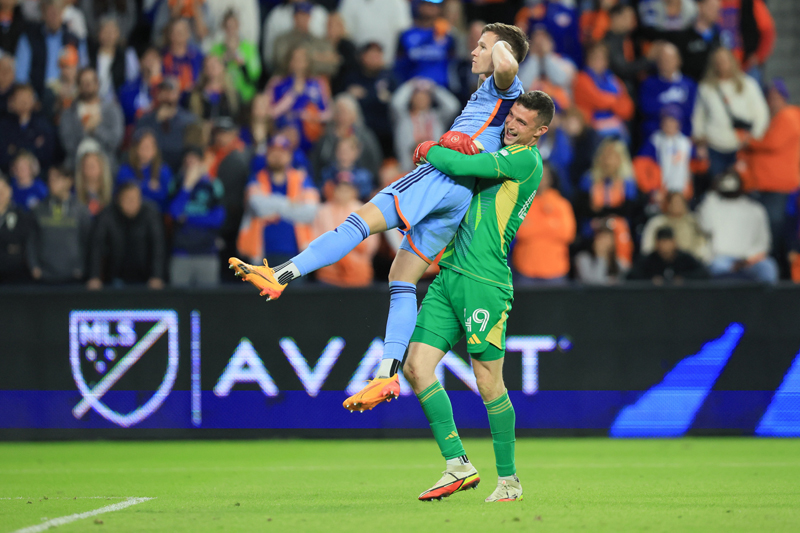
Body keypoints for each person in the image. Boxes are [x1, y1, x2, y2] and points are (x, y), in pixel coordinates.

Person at [229, 23, 529, 399]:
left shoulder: (504, 88)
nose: (473, 51)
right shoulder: (490, 93)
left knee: (355, 224)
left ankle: (281, 274)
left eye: (481, 46)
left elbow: (508, 67)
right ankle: (388, 374)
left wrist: (499, 46)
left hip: (440, 177)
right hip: (458, 196)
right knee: (401, 278)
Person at [397, 91, 553, 503]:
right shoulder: (500, 145)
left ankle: (509, 481)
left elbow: (462, 165)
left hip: (486, 282)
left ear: (539, 132)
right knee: (415, 367)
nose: (512, 124)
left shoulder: (525, 160)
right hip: (449, 275)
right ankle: (457, 464)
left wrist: (429, 146)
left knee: (488, 382)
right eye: (512, 116)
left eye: (522, 122)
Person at [236, 134, 319, 268]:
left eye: (282, 152)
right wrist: (291, 204)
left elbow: (310, 212)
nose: (277, 156)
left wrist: (273, 206)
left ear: (289, 156)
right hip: (260, 254)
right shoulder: (257, 178)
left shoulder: (302, 179)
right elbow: (259, 207)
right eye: (273, 151)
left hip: (298, 255)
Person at [738, 79, 800, 255]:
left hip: (778, 185)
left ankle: (776, 268)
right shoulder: (776, 118)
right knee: (766, 227)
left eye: (775, 97)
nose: (771, 101)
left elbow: (772, 144)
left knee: (774, 227)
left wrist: (748, 141)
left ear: (784, 97)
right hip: (767, 183)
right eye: (769, 97)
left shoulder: (788, 115)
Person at [691, 46, 769, 179]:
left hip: (741, 146)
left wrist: (754, 137)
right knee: (716, 187)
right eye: (718, 61)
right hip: (714, 145)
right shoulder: (705, 87)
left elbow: (761, 114)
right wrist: (699, 136)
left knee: (741, 188)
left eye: (725, 60)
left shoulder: (748, 84)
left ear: (732, 61)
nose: (722, 64)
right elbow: (698, 115)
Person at [697, 170, 778, 283]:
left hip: (750, 260)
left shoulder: (755, 209)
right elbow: (704, 226)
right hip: (721, 259)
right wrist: (711, 193)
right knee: (716, 267)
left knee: (768, 268)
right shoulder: (712, 206)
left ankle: (768, 301)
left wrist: (747, 260)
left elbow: (764, 242)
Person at [87, 181, 165, 290]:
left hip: (145, 278)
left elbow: (158, 246)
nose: (132, 203)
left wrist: (157, 275)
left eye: (136, 199)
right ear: (119, 199)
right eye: (128, 199)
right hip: (115, 276)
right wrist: (94, 276)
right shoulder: (107, 215)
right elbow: (96, 246)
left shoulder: (150, 214)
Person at [168, 146, 225, 287]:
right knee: (179, 301)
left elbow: (217, 219)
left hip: (207, 253)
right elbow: (174, 213)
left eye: (193, 161)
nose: (190, 166)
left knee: (207, 303)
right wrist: (187, 186)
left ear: (201, 163)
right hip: (181, 253)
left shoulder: (213, 185)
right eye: (187, 162)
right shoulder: (176, 184)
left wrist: (187, 219)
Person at [511, 162, 575, 285]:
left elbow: (568, 234)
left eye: (544, 175)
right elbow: (520, 233)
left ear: (551, 179)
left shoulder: (561, 204)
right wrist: (551, 225)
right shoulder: (519, 203)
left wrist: (533, 225)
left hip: (556, 270)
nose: (541, 179)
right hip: (525, 269)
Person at [27, 165, 91, 283]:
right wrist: (34, 266)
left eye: (56, 178)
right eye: (49, 179)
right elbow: (31, 240)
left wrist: (81, 267)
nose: (51, 182)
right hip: (44, 275)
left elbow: (87, 242)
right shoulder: (38, 209)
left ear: (69, 181)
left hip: (74, 275)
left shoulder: (81, 210)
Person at [264, 45, 331, 154]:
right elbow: (267, 112)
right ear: (289, 61)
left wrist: (312, 116)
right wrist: (290, 98)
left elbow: (328, 114)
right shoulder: (277, 82)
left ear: (308, 62)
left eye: (302, 59)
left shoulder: (318, 83)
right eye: (295, 59)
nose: (298, 63)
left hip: (312, 138)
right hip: (282, 139)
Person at [14, 0, 88, 97]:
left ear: (62, 13)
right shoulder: (29, 38)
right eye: (50, 13)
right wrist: (31, 97)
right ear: (43, 15)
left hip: (68, 96)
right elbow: (21, 76)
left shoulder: (74, 40)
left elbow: (83, 70)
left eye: (57, 12)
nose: (54, 16)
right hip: (38, 97)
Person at [311, 181, 378, 288]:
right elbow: (316, 239)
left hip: (358, 272)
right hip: (329, 274)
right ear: (334, 191)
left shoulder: (364, 210)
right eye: (340, 190)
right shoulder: (323, 211)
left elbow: (371, 244)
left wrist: (348, 246)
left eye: (347, 190)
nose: (343, 193)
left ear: (354, 192)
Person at [59, 67, 124, 170]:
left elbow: (115, 141)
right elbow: (68, 145)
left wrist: (96, 130)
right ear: (78, 86)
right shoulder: (69, 113)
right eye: (84, 82)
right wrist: (85, 130)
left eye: (91, 81)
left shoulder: (112, 109)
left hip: (106, 166)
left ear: (97, 84)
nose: (88, 85)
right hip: (76, 166)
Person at [390, 77, 461, 172]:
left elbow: (453, 106)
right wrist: (410, 85)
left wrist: (435, 88)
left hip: (435, 166)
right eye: (417, 97)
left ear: (430, 99)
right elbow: (396, 103)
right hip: (407, 167)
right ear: (411, 99)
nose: (421, 100)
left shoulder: (437, 117)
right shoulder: (404, 118)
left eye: (424, 97)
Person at [344, 42, 398, 158]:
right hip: (361, 131)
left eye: (378, 56)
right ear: (362, 57)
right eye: (371, 56)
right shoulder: (353, 77)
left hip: (386, 133)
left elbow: (396, 101)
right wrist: (377, 97)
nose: (375, 59)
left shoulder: (389, 76)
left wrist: (367, 95)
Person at [311, 93, 381, 182]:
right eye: (338, 111)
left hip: (361, 183)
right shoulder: (325, 137)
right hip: (330, 182)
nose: (341, 116)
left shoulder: (365, 136)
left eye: (345, 112)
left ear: (354, 114)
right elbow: (316, 162)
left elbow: (375, 161)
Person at [135, 77, 199, 173]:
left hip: (180, 170)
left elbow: (194, 152)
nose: (166, 96)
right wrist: (157, 120)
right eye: (163, 92)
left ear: (178, 94)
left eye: (170, 92)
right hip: (151, 171)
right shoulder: (145, 120)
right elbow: (137, 147)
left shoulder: (189, 121)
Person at [634, 105, 695, 202]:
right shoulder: (655, 141)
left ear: (679, 123)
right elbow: (640, 166)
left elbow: (695, 165)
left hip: (682, 193)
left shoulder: (685, 142)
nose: (668, 124)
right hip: (660, 193)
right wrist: (651, 189)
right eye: (666, 120)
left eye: (672, 120)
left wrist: (701, 158)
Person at [573, 42, 634, 140]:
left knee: (624, 131)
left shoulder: (613, 80)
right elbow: (598, 100)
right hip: (591, 125)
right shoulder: (581, 79)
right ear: (588, 59)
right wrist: (615, 101)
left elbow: (628, 109)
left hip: (613, 123)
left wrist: (613, 104)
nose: (598, 61)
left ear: (607, 61)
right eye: (595, 57)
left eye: (602, 58)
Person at [650, 0, 723, 81]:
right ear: (700, 6)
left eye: (718, 9)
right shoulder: (684, 35)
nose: (716, 12)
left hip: (713, 83)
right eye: (712, 7)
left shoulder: (718, 34)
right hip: (691, 85)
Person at [639, 42, 697, 139]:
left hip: (682, 136)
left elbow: (689, 110)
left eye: (669, 59)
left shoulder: (689, 84)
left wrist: (663, 108)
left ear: (679, 60)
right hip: (654, 136)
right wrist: (675, 108)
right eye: (662, 60)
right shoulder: (648, 83)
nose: (666, 63)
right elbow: (647, 108)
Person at [394, 0, 456, 89]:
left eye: (433, 5)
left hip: (440, 86)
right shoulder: (406, 35)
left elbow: (453, 62)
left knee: (453, 103)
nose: (430, 8)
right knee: (397, 102)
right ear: (419, 6)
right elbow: (399, 64)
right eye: (427, 4)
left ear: (439, 9)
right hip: (411, 84)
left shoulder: (448, 35)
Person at [0, 84, 57, 174]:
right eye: (20, 97)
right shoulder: (4, 126)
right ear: (12, 102)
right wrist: (33, 145)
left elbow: (47, 154)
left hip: (39, 174)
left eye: (28, 96)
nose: (24, 101)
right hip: (10, 174)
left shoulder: (43, 124)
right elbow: (3, 155)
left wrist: (15, 149)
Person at [338, 0, 412, 67]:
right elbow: (344, 30)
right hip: (356, 63)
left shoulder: (397, 3)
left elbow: (404, 32)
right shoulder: (349, 2)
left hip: (386, 64)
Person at [208, 9, 261, 103]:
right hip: (224, 96)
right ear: (223, 28)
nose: (231, 30)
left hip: (246, 96)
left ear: (238, 26)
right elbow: (210, 75)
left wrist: (241, 61)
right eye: (228, 27)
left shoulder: (249, 48)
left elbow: (255, 76)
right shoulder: (216, 50)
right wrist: (225, 60)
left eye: (234, 26)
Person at [640, 192, 710, 263]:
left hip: (691, 263)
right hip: (663, 262)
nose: (678, 205)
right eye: (675, 202)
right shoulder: (658, 223)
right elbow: (647, 248)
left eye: (680, 202)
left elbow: (703, 243)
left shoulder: (694, 221)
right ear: (668, 204)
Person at [117, 128, 174, 212]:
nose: (146, 149)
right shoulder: (125, 170)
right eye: (143, 145)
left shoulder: (164, 170)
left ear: (156, 149)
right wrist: (148, 186)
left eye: (150, 146)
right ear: (136, 148)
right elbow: (123, 194)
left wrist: (138, 187)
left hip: (156, 215)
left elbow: (164, 196)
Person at [263, 0, 328, 71]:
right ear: (294, 18)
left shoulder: (317, 40)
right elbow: (277, 61)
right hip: (286, 77)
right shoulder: (282, 40)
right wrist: (316, 57)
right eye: (299, 15)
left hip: (313, 77)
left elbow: (332, 61)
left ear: (309, 18)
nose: (302, 19)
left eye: (305, 15)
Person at [628, 226, 708, 284]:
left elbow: (704, 273)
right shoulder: (648, 260)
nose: (665, 246)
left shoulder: (684, 258)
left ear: (674, 242)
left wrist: (683, 278)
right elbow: (631, 276)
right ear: (656, 243)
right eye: (662, 241)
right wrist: (650, 280)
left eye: (668, 241)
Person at [86, 16, 138, 102]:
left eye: (112, 32)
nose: (109, 36)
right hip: (93, 100)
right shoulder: (90, 54)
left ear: (118, 34)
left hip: (119, 101)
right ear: (98, 33)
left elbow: (133, 80)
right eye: (105, 31)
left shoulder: (127, 54)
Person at [188, 54, 239, 125]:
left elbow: (237, 118)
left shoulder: (232, 95)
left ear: (222, 67)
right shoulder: (197, 94)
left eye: (214, 65)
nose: (212, 68)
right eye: (208, 66)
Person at [0, 175, 33, 283]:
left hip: (16, 279)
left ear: (9, 191)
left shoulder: (21, 216)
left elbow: (24, 245)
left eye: (2, 191)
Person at [320, 135, 374, 202]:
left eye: (347, 151)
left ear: (356, 152)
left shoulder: (364, 176)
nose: (343, 154)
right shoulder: (327, 173)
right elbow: (321, 192)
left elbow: (367, 194)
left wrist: (352, 185)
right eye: (340, 150)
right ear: (335, 152)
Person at [162, 18, 204, 97]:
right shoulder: (162, 56)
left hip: (192, 99)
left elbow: (202, 80)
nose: (178, 35)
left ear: (188, 34)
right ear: (170, 35)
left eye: (181, 32)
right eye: (175, 32)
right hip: (168, 98)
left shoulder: (197, 56)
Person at [74, 141, 113, 216]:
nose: (90, 169)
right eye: (86, 166)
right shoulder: (73, 193)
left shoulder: (113, 193)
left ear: (102, 167)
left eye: (93, 166)